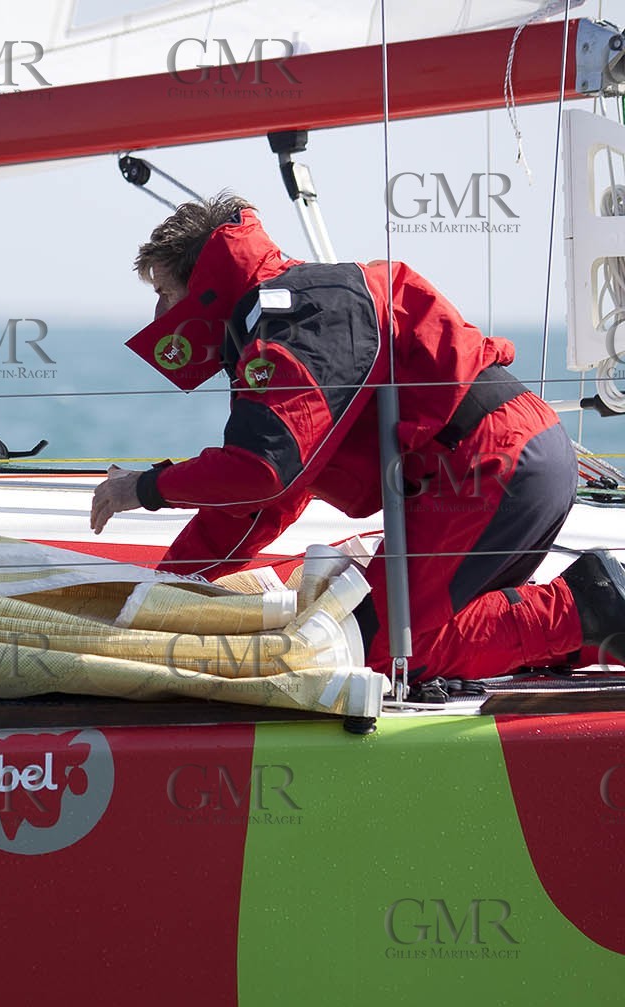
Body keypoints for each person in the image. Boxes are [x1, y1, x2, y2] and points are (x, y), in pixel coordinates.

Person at [89, 193, 625, 681]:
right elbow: (262, 502)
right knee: (406, 633)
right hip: (511, 456)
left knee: (380, 651)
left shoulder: (291, 319)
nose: (159, 314)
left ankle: (589, 610)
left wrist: (144, 488)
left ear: (203, 281)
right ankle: (594, 625)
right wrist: (165, 590)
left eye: (163, 292)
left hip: (487, 465)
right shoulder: (283, 315)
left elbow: (263, 471)